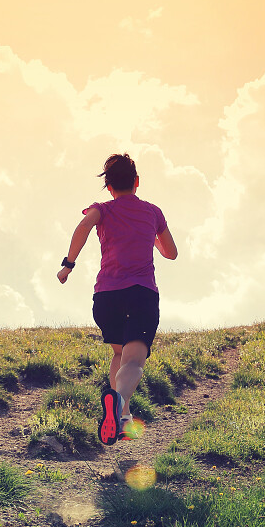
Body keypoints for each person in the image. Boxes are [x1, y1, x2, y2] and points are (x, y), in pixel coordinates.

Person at [57, 153, 178, 445]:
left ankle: (122, 416)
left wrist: (68, 265)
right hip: (141, 294)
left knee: (118, 355)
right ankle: (118, 399)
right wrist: (150, 236)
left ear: (109, 187)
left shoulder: (101, 209)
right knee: (134, 361)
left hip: (107, 296)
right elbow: (171, 252)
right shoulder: (152, 212)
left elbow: (84, 227)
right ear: (137, 182)